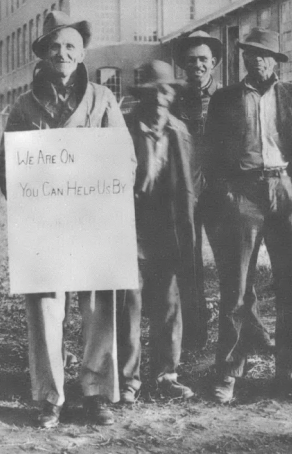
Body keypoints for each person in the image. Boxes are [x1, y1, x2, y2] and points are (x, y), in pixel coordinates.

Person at [0, 11, 133, 428]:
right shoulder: (23, 105)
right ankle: (49, 397)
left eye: (71, 46)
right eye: (55, 46)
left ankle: (95, 394)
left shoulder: (102, 99)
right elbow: (8, 171)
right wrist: (33, 196)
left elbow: (125, 160)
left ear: (81, 53)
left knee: (99, 307)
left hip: (93, 219)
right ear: (43, 53)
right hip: (44, 224)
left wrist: (101, 188)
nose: (63, 53)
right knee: (44, 308)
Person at [204, 28, 292, 403]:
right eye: (250, 53)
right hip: (243, 193)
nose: (257, 59)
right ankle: (228, 374)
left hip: (286, 191)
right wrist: (226, 190)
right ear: (242, 58)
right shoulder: (225, 99)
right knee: (236, 288)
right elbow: (211, 152)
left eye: (264, 54)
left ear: (276, 60)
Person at [173, 30, 274, 353]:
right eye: (191, 60)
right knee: (188, 265)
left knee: (233, 265)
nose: (197, 65)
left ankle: (251, 328)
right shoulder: (173, 98)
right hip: (184, 191)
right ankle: (194, 333)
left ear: (214, 62)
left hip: (220, 190)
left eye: (203, 59)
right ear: (183, 65)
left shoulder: (229, 96)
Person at [117, 61, 196, 404]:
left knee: (167, 302)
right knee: (129, 301)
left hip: (166, 228)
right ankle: (127, 379)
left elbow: (191, 185)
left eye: (166, 91)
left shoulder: (180, 133)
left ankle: (166, 374)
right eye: (153, 92)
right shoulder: (122, 129)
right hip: (130, 225)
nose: (161, 99)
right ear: (142, 97)